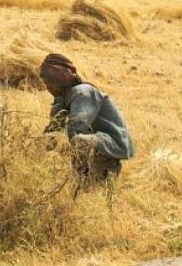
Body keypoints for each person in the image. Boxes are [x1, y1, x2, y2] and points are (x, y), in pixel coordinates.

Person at [40, 53, 135, 183]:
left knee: (79, 141)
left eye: (49, 82)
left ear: (59, 78)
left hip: (111, 142)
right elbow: (53, 130)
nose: (47, 87)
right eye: (45, 83)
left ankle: (93, 177)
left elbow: (76, 127)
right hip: (94, 139)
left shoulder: (83, 92)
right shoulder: (61, 99)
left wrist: (56, 146)